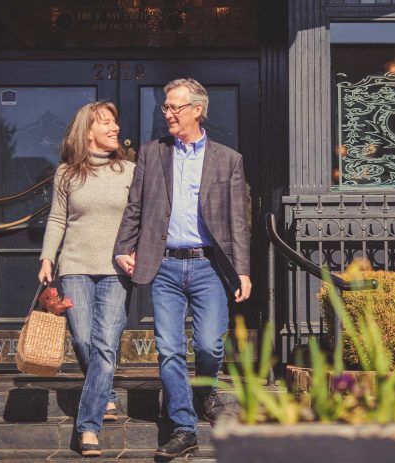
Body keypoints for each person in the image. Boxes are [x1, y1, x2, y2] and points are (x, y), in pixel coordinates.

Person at [114, 78, 252, 459]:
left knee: (209, 343)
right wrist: (123, 248)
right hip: (165, 266)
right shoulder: (152, 153)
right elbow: (136, 207)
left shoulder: (228, 159)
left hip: (209, 266)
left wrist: (242, 270)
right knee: (170, 350)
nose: (168, 113)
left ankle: (204, 391)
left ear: (197, 110)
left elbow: (238, 221)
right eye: (166, 107)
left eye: (175, 107)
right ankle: (182, 427)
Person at [38, 101, 134, 458]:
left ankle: (88, 427)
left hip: (116, 270)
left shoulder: (130, 171)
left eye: (115, 123)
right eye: (106, 123)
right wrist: (48, 257)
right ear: (88, 130)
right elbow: (58, 220)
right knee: (81, 336)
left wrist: (137, 251)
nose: (115, 129)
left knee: (106, 342)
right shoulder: (66, 173)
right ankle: (105, 393)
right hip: (75, 264)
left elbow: (139, 219)